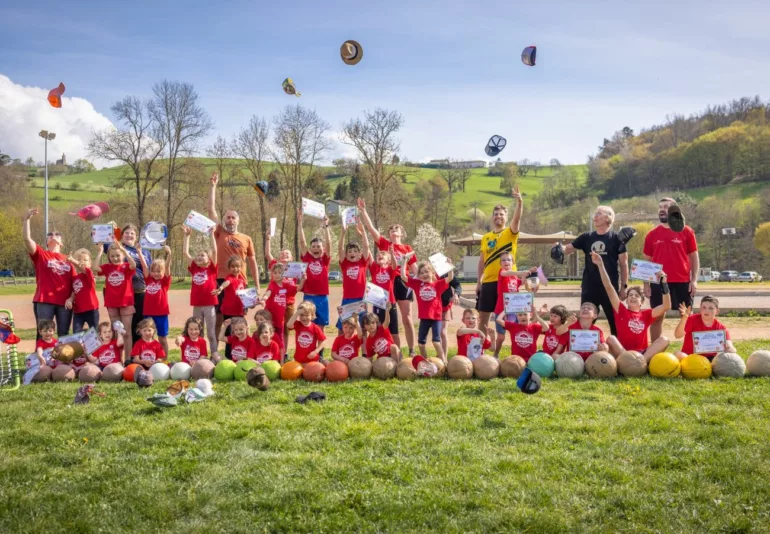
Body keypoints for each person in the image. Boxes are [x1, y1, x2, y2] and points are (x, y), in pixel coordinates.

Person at [357, 197, 418, 356]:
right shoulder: (384, 244)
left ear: (402, 233)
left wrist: (419, 282)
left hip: (402, 282)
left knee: (407, 318)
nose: (393, 230)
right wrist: (363, 211)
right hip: (385, 285)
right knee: (383, 319)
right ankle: (382, 349)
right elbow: (370, 229)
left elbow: (415, 269)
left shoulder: (407, 248)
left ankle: (411, 350)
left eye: (396, 228)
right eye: (391, 229)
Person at [555, 205, 628, 335]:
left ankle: (618, 351)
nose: (595, 216)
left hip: (609, 287)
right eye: (595, 214)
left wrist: (624, 287)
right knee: (585, 320)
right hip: (590, 286)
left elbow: (624, 264)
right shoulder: (586, 237)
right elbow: (568, 249)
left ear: (608, 218)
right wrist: (559, 248)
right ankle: (582, 350)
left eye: (599, 214)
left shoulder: (616, 239)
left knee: (615, 321)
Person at [592, 251, 671, 361]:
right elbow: (609, 287)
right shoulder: (621, 310)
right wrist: (600, 265)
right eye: (630, 295)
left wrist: (664, 284)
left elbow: (666, 306)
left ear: (641, 302)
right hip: (624, 353)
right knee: (611, 338)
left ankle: (641, 361)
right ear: (627, 300)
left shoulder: (646, 314)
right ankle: (631, 361)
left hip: (642, 354)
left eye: (637, 296)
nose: (633, 297)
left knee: (664, 339)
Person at [208, 171, 260, 336]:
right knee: (219, 316)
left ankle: (240, 347)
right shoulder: (220, 232)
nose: (230, 220)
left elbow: (252, 262)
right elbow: (211, 209)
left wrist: (257, 285)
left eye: (233, 218)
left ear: (238, 220)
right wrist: (213, 186)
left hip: (240, 282)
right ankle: (216, 350)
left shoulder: (246, 238)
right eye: (228, 218)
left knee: (239, 318)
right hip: (220, 279)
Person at [644, 197, 700, 342]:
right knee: (656, 318)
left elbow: (694, 257)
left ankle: (691, 351)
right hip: (658, 283)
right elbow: (647, 262)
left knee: (686, 316)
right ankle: (655, 351)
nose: (662, 209)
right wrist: (646, 284)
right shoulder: (652, 234)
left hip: (682, 281)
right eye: (660, 207)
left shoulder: (687, 231)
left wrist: (694, 280)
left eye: (667, 206)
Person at [476, 186, 524, 343]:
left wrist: (519, 202)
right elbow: (481, 262)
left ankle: (516, 349)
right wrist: (478, 282)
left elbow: (517, 219)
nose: (498, 217)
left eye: (501, 214)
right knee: (483, 317)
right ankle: (482, 349)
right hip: (489, 282)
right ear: (492, 217)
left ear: (506, 217)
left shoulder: (510, 233)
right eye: (496, 214)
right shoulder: (486, 237)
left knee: (512, 317)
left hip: (507, 283)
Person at [23, 208, 73, 337]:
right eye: (49, 235)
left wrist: (71, 298)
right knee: (43, 334)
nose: (53, 236)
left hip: (64, 302)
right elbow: (27, 239)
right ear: (46, 242)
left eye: (57, 235)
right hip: (45, 300)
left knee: (64, 334)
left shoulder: (69, 259)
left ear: (62, 243)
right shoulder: (41, 254)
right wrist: (27, 219)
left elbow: (75, 282)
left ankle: (62, 357)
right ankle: (41, 357)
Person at [104, 224, 152, 345]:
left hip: (139, 291)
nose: (129, 235)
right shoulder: (116, 247)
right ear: (121, 235)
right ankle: (121, 355)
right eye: (126, 233)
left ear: (136, 237)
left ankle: (138, 352)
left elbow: (148, 272)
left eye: (132, 233)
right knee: (120, 328)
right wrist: (109, 228)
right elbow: (100, 240)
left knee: (139, 324)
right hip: (120, 294)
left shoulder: (144, 251)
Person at [400, 253, 452, 363]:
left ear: (433, 273)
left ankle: (444, 363)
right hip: (424, 318)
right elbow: (403, 276)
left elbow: (450, 277)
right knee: (421, 344)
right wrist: (404, 261)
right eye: (421, 273)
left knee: (436, 342)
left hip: (436, 318)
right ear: (418, 275)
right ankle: (426, 363)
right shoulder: (417, 284)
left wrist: (449, 266)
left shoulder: (438, 284)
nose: (424, 274)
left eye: (426, 272)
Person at [96, 242, 137, 361]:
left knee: (126, 332)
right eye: (112, 256)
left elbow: (133, 265)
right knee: (117, 333)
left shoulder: (126, 266)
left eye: (118, 255)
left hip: (126, 302)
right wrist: (99, 252)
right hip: (112, 303)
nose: (115, 258)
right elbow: (94, 268)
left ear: (122, 256)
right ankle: (118, 359)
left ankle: (128, 359)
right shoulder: (107, 267)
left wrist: (124, 251)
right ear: (109, 257)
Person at [183, 226, 219, 360]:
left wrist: (212, 234)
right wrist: (187, 236)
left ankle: (214, 355)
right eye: (197, 256)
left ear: (209, 259)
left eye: (202, 255)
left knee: (210, 332)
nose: (198, 257)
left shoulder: (212, 269)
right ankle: (200, 355)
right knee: (198, 332)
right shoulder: (194, 268)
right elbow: (185, 253)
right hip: (197, 305)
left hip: (209, 305)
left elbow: (215, 250)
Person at [492, 251, 538, 357]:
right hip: (501, 311)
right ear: (500, 264)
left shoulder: (514, 278)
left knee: (518, 333)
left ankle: (518, 354)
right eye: (503, 260)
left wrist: (530, 272)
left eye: (509, 259)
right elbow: (506, 273)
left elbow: (522, 281)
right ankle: (496, 354)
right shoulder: (502, 272)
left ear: (513, 262)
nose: (506, 262)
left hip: (515, 312)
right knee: (501, 337)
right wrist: (520, 272)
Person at [297, 209, 332, 327]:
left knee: (321, 325)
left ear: (322, 249)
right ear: (310, 249)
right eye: (314, 247)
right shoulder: (307, 258)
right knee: (307, 325)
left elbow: (329, 244)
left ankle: (320, 346)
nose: (316, 248)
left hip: (322, 298)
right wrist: (300, 222)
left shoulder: (325, 260)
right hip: (309, 297)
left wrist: (326, 226)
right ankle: (309, 346)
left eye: (319, 246)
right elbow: (302, 242)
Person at [137, 245, 172, 357]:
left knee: (162, 338)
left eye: (159, 271)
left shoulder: (164, 282)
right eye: (154, 271)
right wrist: (139, 252)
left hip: (161, 313)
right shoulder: (148, 280)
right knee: (148, 337)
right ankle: (150, 357)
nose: (156, 273)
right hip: (148, 313)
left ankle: (165, 359)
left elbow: (167, 269)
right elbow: (144, 266)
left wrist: (169, 255)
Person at [336, 220, 371, 333]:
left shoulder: (363, 262)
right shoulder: (345, 264)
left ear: (359, 254)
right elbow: (340, 247)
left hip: (361, 299)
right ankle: (340, 348)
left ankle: (365, 351)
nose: (352, 253)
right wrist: (343, 232)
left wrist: (363, 230)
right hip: (347, 299)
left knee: (363, 328)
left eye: (355, 251)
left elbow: (366, 246)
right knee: (343, 327)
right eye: (349, 251)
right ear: (346, 254)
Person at [260, 263, 304, 351]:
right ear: (272, 274)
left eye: (279, 273)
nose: (277, 275)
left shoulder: (286, 285)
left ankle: (282, 356)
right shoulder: (272, 284)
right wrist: (264, 299)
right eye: (275, 273)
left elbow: (298, 288)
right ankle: (268, 352)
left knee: (280, 338)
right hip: (270, 317)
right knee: (269, 334)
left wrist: (303, 278)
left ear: (284, 274)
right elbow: (268, 292)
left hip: (280, 318)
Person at [213, 256, 249, 360]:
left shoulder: (242, 281)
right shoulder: (229, 278)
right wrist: (220, 288)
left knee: (241, 333)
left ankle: (241, 354)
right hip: (229, 312)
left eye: (238, 266)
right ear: (229, 268)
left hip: (240, 312)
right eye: (232, 266)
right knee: (230, 335)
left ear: (241, 267)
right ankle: (229, 356)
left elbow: (246, 297)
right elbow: (226, 283)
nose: (235, 269)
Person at [265, 234, 297, 350]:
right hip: (274, 303)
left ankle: (285, 351)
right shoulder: (275, 266)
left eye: (287, 254)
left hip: (288, 304)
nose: (284, 255)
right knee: (271, 327)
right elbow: (268, 254)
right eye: (282, 253)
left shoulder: (294, 269)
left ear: (291, 258)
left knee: (285, 330)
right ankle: (272, 350)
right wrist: (268, 239)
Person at [368, 248, 400, 348]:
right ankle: (382, 351)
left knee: (394, 331)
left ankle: (398, 354)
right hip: (378, 304)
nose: (379, 255)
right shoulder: (374, 268)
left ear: (388, 260)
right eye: (378, 255)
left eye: (383, 254)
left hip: (390, 303)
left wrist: (391, 253)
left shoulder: (390, 269)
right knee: (379, 330)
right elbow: (368, 253)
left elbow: (395, 265)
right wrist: (364, 233)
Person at [65, 249, 99, 334]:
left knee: (94, 333)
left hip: (91, 309)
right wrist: (70, 300)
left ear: (90, 263)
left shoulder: (89, 274)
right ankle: (79, 347)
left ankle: (97, 347)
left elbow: (83, 268)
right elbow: (74, 293)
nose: (82, 262)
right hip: (78, 311)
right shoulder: (74, 278)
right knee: (76, 333)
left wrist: (73, 260)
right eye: (79, 259)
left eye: (85, 260)